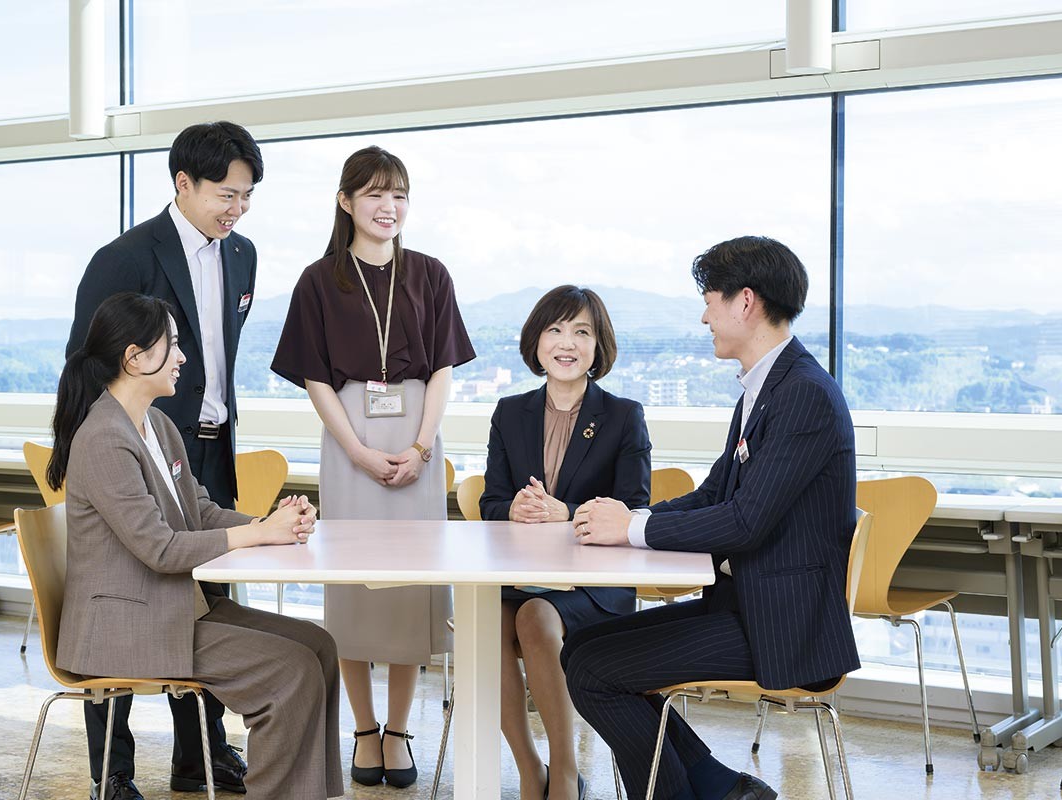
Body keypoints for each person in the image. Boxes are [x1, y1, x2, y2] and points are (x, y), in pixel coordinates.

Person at [562, 236, 858, 800]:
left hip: (783, 629)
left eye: (710, 300)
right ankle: (722, 788)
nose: (704, 316)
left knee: (596, 670)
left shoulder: (803, 395)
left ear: (745, 302)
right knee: (581, 647)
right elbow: (713, 494)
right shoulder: (767, 387)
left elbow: (744, 521)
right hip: (747, 607)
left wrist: (628, 529)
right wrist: (631, 519)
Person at [50, 292, 342, 800]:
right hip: (125, 626)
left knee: (319, 647)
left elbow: (199, 512)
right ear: (135, 357)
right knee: (289, 671)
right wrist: (258, 534)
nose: (184, 357)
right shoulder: (102, 438)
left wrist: (269, 522)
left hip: (169, 607)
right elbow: (159, 549)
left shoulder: (157, 426)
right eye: (174, 344)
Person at [64, 122, 263, 797]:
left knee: (208, 600)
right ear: (183, 184)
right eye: (225, 195)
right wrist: (113, 448)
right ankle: (112, 775)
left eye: (246, 197)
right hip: (135, 451)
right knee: (121, 596)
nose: (236, 210)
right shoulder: (124, 256)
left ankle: (201, 755)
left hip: (207, 449)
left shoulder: (244, 257)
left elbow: (219, 359)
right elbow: (86, 361)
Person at [270, 145, 475, 789]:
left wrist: (420, 447)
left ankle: (399, 728)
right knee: (354, 587)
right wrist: (357, 449)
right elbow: (313, 375)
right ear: (345, 201)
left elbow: (441, 369)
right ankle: (362, 728)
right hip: (349, 437)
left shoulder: (431, 274)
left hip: (418, 432)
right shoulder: (318, 279)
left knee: (410, 587)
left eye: (399, 195)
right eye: (374, 194)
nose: (389, 207)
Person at [479, 285, 650, 800]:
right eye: (555, 330)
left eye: (581, 331)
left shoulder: (623, 416)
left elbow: (634, 510)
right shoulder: (510, 413)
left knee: (535, 618)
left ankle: (566, 771)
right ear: (536, 343)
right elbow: (490, 503)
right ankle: (529, 770)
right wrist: (511, 508)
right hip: (521, 574)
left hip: (590, 584)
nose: (566, 343)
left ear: (599, 347)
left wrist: (568, 514)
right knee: (485, 622)